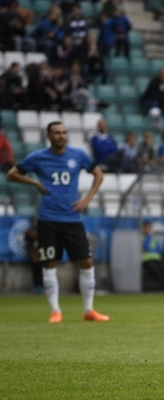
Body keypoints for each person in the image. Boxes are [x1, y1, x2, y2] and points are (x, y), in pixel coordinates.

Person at [6, 122, 109, 323]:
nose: (61, 136)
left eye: (64, 132)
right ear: (48, 136)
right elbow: (12, 174)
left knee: (86, 261)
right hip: (48, 219)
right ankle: (55, 310)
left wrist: (87, 200)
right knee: (49, 264)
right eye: (57, 133)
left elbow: (98, 174)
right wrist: (35, 182)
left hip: (72, 218)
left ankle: (88, 310)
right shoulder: (38, 157)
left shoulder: (78, 155)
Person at [24, 219, 43, 294]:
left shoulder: (43, 232)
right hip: (33, 255)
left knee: (42, 271)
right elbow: (27, 240)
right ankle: (36, 286)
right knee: (35, 271)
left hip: (41, 254)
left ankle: (41, 285)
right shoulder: (30, 232)